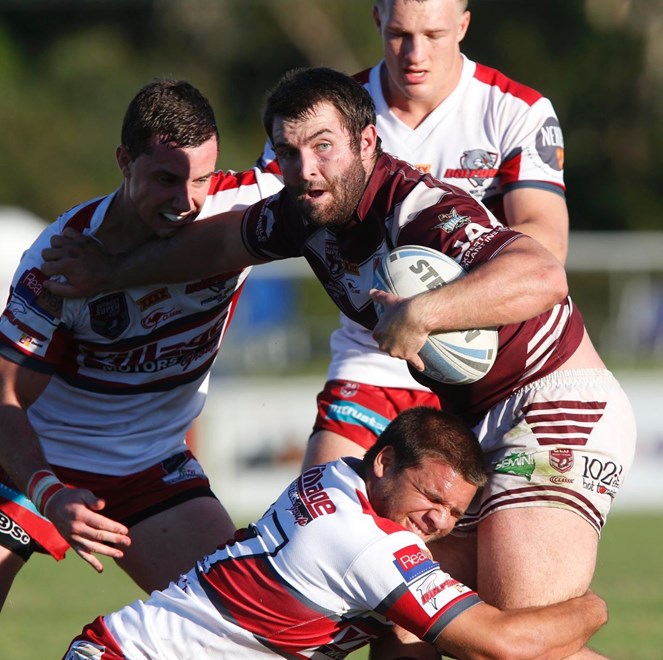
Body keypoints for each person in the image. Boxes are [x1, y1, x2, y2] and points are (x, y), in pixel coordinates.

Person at [42, 67, 635, 659]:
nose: (307, 169)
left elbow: (543, 274)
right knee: (404, 620)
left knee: (522, 642)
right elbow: (219, 243)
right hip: (474, 422)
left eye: (323, 146)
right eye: (289, 153)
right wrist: (111, 273)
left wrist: (423, 312)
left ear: (367, 142)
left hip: (553, 403)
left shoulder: (420, 209)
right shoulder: (303, 214)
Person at [0, 78, 283, 609]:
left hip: (151, 464)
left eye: (201, 179)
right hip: (38, 461)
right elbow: (5, 398)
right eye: (166, 180)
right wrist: (47, 492)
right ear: (124, 162)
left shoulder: (244, 206)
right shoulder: (58, 261)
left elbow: (334, 151)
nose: (186, 202)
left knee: (242, 625)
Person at [258, 0, 570, 471]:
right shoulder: (327, 115)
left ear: (463, 25)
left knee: (469, 513)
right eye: (400, 34)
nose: (415, 54)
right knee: (324, 501)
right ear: (377, 19)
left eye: (434, 35)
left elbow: (547, 244)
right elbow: (260, 212)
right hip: (373, 353)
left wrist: (434, 296)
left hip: (476, 350)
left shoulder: (516, 110)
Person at [63, 406, 608, 660]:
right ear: (385, 462)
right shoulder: (368, 547)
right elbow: (503, 646)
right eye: (430, 497)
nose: (438, 521)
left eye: (453, 511)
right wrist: (591, 607)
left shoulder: (337, 476)